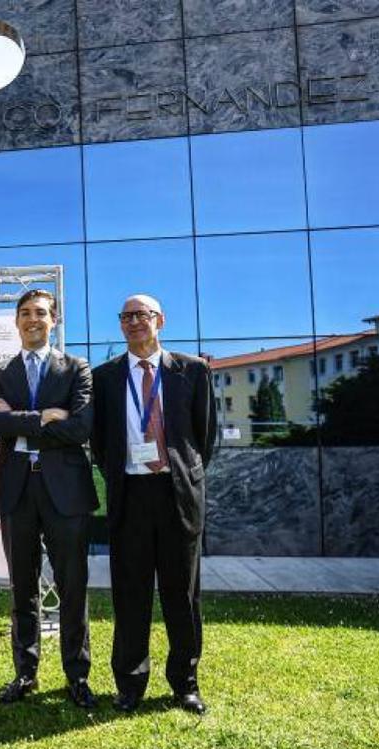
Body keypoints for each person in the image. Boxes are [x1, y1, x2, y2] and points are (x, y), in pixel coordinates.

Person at [91, 294, 216, 716]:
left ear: (160, 320)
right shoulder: (104, 377)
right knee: (130, 595)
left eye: (141, 315)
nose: (133, 323)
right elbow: (100, 442)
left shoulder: (193, 372)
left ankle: (185, 683)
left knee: (182, 594)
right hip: (130, 495)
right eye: (125, 316)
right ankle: (129, 684)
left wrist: (182, 475)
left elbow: (205, 437)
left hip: (177, 494)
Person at [0, 289, 98, 709]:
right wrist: (47, 416)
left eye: (41, 313)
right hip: (17, 490)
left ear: (55, 320)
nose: (33, 320)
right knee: (22, 588)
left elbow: (81, 427)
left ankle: (77, 676)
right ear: (16, 321)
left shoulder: (77, 368)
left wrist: (20, 421)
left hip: (65, 491)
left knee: (73, 585)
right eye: (25, 313)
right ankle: (25, 672)